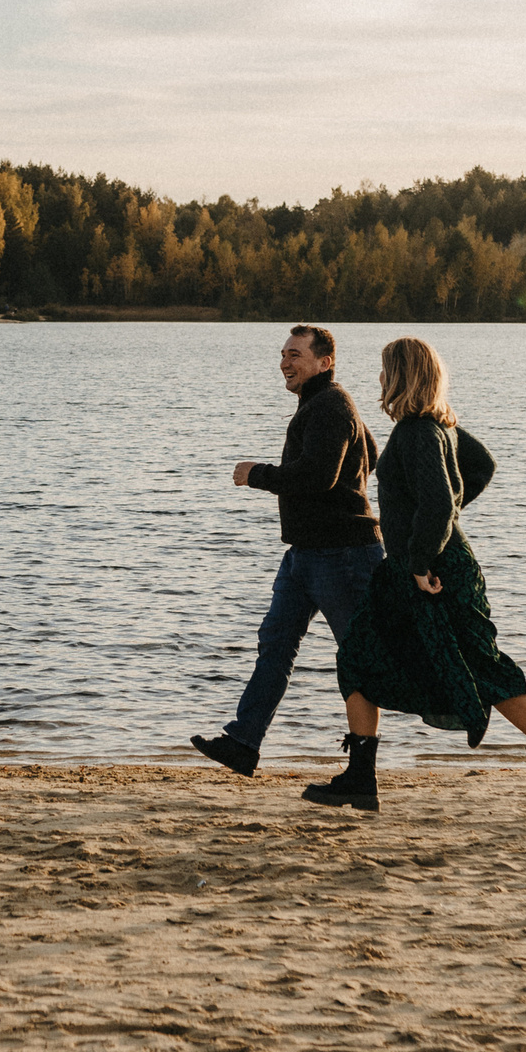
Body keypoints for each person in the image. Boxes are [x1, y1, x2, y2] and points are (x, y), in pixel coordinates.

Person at [305, 336, 526, 820]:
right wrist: (431, 527)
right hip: (419, 567)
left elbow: (442, 501)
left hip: (433, 571)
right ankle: (361, 776)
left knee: (475, 666)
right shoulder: (438, 428)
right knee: (362, 655)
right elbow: (480, 468)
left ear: (400, 376)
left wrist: (424, 557)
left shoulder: (417, 433)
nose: (379, 380)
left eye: (385, 371)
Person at [190, 325, 383, 777]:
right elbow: (369, 452)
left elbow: (319, 477)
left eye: (295, 354)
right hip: (304, 555)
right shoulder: (323, 405)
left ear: (324, 362)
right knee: (275, 644)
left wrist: (259, 473)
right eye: (282, 354)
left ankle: (362, 773)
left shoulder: (332, 404)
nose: (285, 362)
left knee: (358, 660)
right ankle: (243, 743)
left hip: (344, 557)